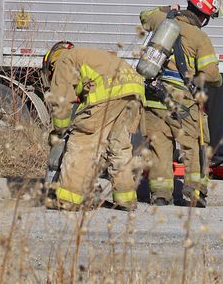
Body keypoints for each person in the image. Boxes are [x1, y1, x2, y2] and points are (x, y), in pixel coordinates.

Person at [139, 0, 223, 207]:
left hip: (153, 97)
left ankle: (160, 195)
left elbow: (144, 15)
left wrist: (168, 9)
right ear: (203, 17)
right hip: (182, 102)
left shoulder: (162, 21)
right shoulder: (199, 36)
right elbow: (212, 75)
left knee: (159, 145)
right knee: (193, 146)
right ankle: (192, 193)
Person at [41, 40, 145, 211]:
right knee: (118, 147)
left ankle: (69, 199)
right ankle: (126, 199)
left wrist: (60, 130)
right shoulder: (86, 56)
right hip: (134, 89)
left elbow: (60, 102)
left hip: (109, 92)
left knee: (81, 143)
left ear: (51, 63)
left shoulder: (63, 61)